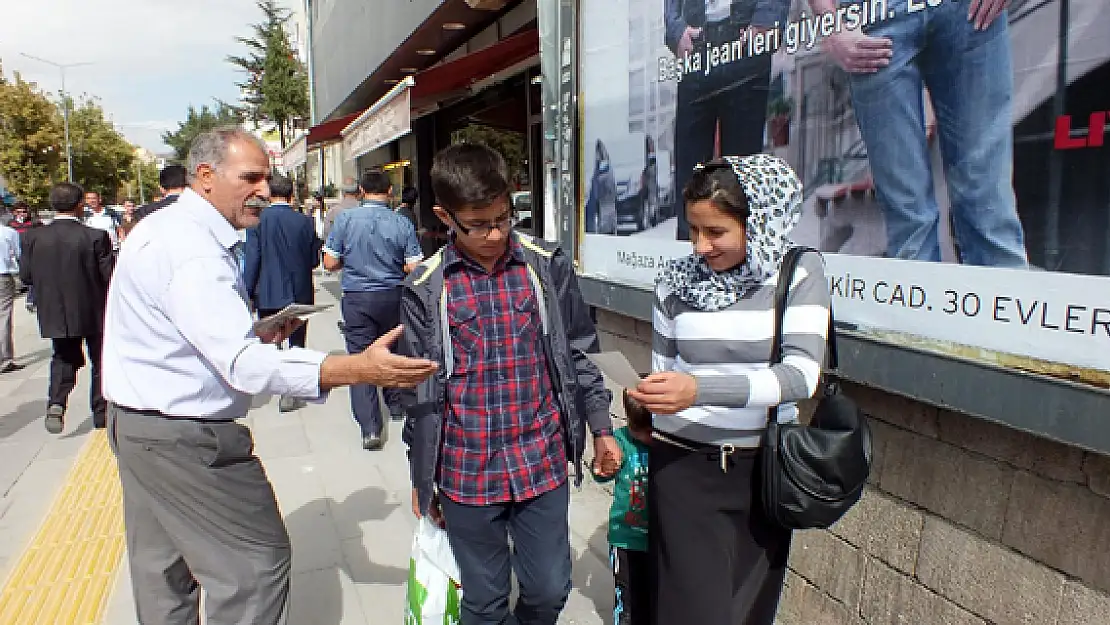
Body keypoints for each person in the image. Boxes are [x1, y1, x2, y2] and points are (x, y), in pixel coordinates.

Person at [101, 127, 438, 625]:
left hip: (143, 427)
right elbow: (239, 363)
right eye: (251, 177)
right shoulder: (191, 251)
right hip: (185, 440)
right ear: (207, 177)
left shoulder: (166, 230)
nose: (264, 189)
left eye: (267, 176)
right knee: (255, 569)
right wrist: (357, 369)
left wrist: (258, 334)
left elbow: (191, 337)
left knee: (164, 572)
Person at [399, 143, 622, 625]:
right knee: (483, 601)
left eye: (504, 217)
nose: (496, 234)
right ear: (445, 216)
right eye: (478, 224)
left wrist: (602, 427)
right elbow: (416, 392)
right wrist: (420, 477)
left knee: (548, 589)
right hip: (465, 470)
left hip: (539, 462)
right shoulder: (425, 287)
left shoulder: (546, 266)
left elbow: (579, 351)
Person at [628, 155, 830, 625]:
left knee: (747, 611)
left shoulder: (796, 273)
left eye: (715, 232)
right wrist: (646, 400)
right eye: (693, 231)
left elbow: (800, 376)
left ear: (756, 222)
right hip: (680, 466)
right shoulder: (674, 282)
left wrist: (699, 389)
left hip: (761, 472)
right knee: (690, 611)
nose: (701, 246)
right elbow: (664, 370)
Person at [814, 0, 1027, 266]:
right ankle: (921, 306)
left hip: (966, 10)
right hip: (874, 12)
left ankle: (1003, 304)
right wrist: (830, 23)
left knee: (989, 205)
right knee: (910, 218)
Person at [665, 0, 791, 241]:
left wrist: (767, 18)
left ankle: (742, 269)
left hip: (745, 38)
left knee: (742, 178)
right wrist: (675, 29)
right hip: (697, 43)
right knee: (689, 179)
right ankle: (691, 269)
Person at [323, 169, 422, 450]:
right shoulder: (401, 222)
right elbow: (415, 267)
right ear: (390, 192)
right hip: (392, 295)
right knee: (392, 348)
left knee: (360, 357)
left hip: (357, 297)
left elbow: (330, 263)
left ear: (362, 192)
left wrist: (352, 262)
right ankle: (398, 405)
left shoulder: (345, 219)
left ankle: (370, 428)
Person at [20, 182, 115, 433]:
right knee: (100, 360)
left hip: (55, 310)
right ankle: (101, 413)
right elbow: (110, 276)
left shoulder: (33, 237)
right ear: (80, 204)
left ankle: (57, 402)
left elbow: (26, 275)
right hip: (94, 309)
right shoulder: (95, 236)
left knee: (62, 357)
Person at [243, 173, 323, 412]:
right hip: (299, 290)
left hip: (267, 290)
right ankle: (292, 392)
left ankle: (274, 386)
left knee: (270, 341)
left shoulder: (257, 220)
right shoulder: (304, 222)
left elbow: (253, 258)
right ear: (291, 196)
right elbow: (313, 260)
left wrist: (247, 291)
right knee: (297, 343)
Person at [592, 389, 650, 625]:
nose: (647, 437)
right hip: (625, 538)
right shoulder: (621, 441)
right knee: (626, 595)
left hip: (658, 540)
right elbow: (602, 474)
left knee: (651, 595)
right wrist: (603, 468)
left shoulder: (667, 446)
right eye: (640, 431)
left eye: (650, 431)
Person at [7, 202, 41, 312]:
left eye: (24, 212)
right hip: (18, 254)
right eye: (18, 212)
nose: (22, 214)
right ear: (14, 213)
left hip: (33, 253)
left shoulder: (35, 223)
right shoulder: (10, 224)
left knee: (34, 276)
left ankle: (31, 299)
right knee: (24, 276)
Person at [0, 219, 22, 373]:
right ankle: (5, 358)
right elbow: (19, 253)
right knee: (4, 316)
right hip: (3, 274)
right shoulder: (8, 232)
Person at [323, 178, 359, 243]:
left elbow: (327, 236)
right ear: (357, 191)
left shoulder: (333, 212)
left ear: (342, 192)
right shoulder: (365, 210)